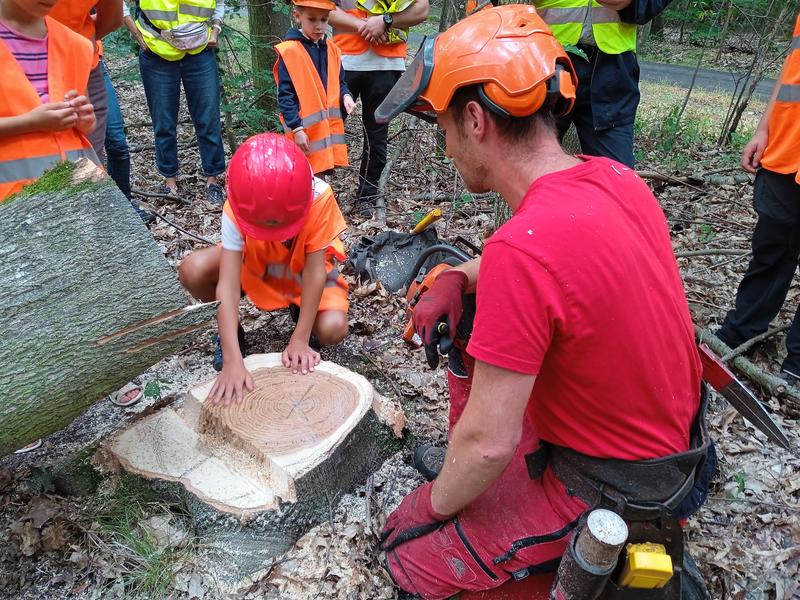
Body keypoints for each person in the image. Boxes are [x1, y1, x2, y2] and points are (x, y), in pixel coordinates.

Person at [373, 6, 712, 598]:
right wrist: (460, 274)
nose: (447, 146)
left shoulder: (521, 251)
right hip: (674, 459)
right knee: (476, 313)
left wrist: (432, 503)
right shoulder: (614, 179)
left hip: (611, 486)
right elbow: (563, 263)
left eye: (445, 128)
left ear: (475, 119)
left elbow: (490, 442)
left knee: (408, 566)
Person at [178, 133, 350, 405]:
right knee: (192, 269)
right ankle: (232, 334)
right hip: (259, 264)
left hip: (301, 273)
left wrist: (300, 339)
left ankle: (301, 312)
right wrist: (233, 359)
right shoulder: (240, 200)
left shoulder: (319, 197)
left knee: (333, 328)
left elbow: (316, 272)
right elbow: (228, 282)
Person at [716, 11, 800, 386]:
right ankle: (740, 333)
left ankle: (797, 362)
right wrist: (764, 128)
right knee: (771, 249)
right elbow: (792, 69)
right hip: (787, 147)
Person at [532, 0, 672, 168]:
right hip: (547, 60)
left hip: (613, 69)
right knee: (532, 164)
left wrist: (635, 4)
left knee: (616, 177)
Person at [329, 0, 429, 215]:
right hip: (344, 60)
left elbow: (422, 9)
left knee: (377, 137)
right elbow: (324, 9)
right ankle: (318, 190)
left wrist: (386, 21)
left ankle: (367, 195)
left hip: (388, 63)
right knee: (327, 129)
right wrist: (365, 26)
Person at [125, 0, 226, 204]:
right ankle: (169, 182)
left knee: (208, 119)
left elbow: (219, 2)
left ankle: (212, 181)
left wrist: (215, 29)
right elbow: (117, 5)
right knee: (164, 122)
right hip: (156, 52)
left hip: (200, 51)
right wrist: (136, 33)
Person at [0, 0, 98, 202]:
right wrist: (30, 122)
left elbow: (87, 123)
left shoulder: (74, 45)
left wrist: (84, 120)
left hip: (75, 199)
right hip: (10, 209)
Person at [274, 0, 356, 176]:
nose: (319, 26)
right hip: (302, 134)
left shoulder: (332, 49)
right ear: (298, 17)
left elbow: (340, 82)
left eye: (324, 20)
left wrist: (346, 96)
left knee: (319, 180)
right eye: (312, 20)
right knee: (302, 178)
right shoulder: (290, 51)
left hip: (326, 136)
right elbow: (285, 96)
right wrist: (296, 129)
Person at [50, 0, 122, 162]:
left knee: (90, 159)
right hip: (19, 64)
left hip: (85, 67)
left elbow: (113, 17)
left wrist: (79, 46)